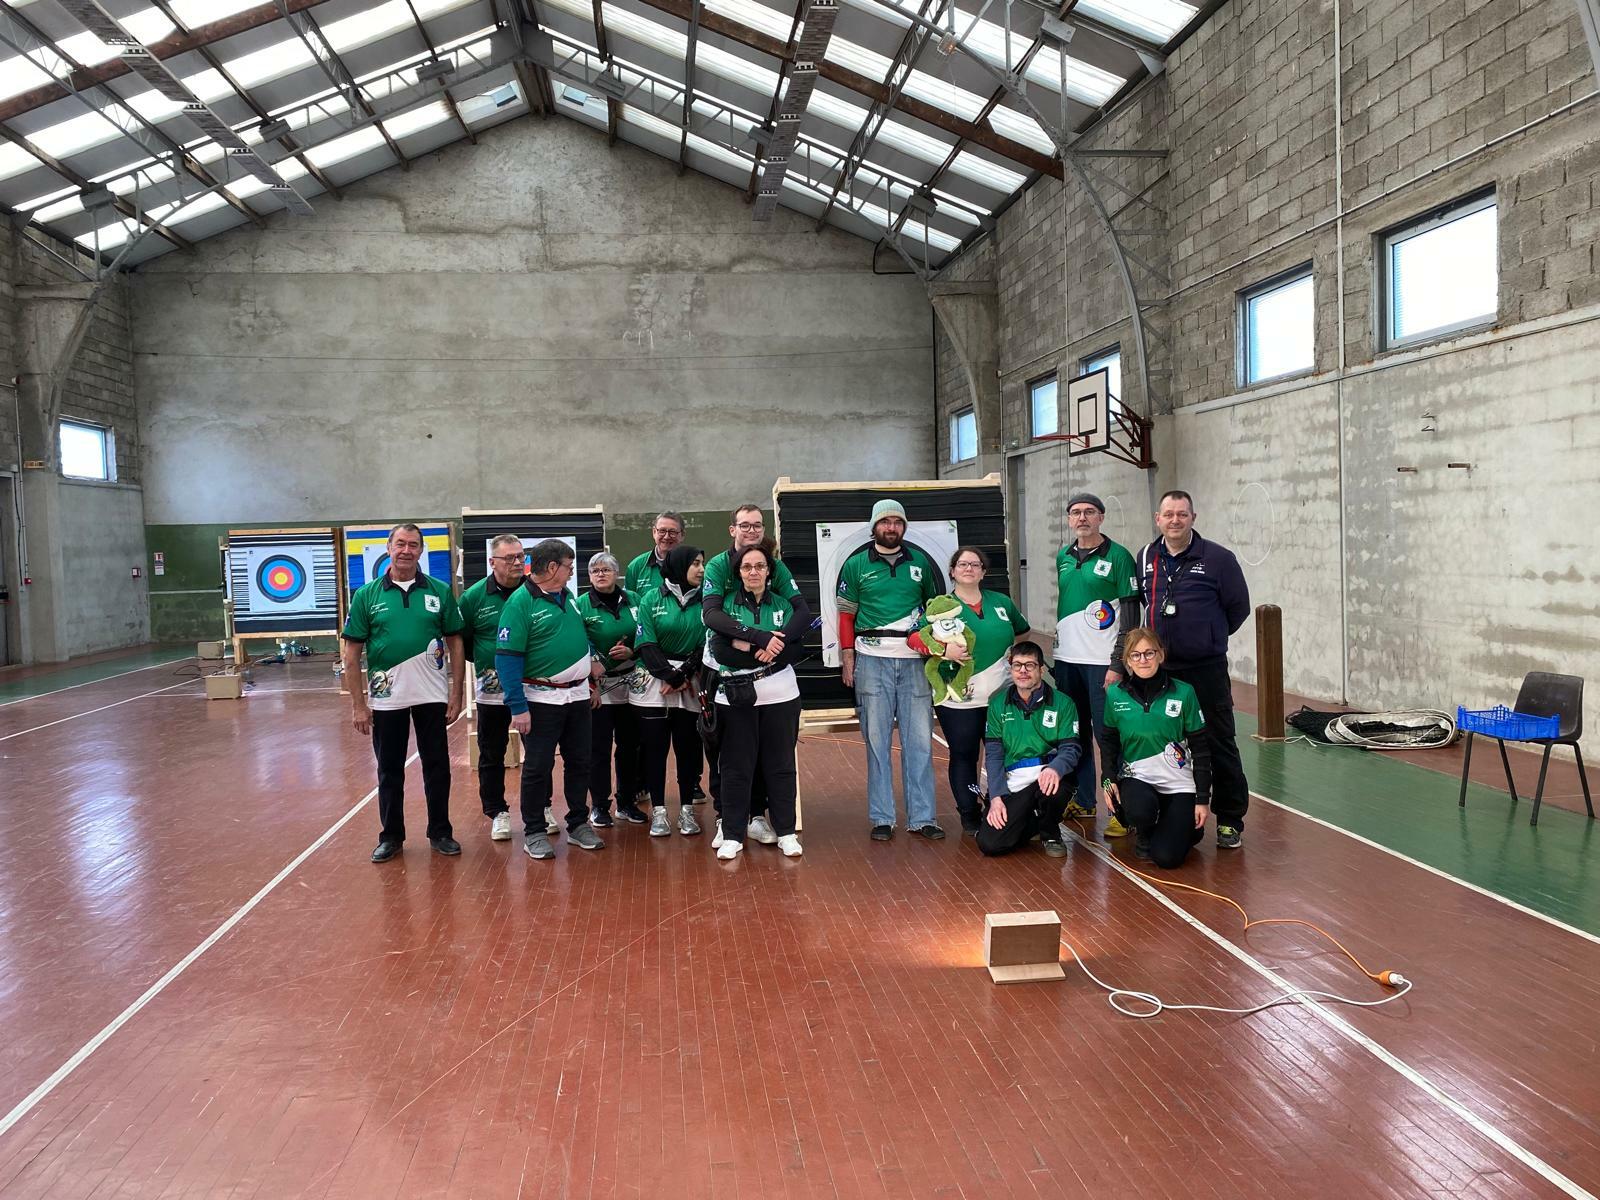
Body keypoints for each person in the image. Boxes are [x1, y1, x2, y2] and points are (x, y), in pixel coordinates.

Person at [1124, 490, 1250, 848]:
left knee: (1217, 740)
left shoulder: (1219, 559)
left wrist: (1207, 637)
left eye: (1182, 514)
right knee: (1162, 740)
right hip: (1160, 669)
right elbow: (1143, 604)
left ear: (1193, 517)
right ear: (1158, 519)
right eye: (1168, 514)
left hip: (1205, 670)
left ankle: (1229, 819)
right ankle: (1164, 813)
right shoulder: (1145, 557)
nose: (1175, 520)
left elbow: (1238, 608)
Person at [342, 523, 466, 863]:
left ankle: (440, 832)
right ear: (388, 547)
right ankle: (391, 836)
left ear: (421, 550)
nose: (406, 550)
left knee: (437, 767)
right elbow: (351, 654)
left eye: (413, 545)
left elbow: (456, 642)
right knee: (389, 770)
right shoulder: (366, 595)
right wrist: (358, 704)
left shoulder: (440, 591)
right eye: (400, 544)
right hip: (386, 698)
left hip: (432, 695)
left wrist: (457, 693)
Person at [837, 499, 946, 841]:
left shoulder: (920, 563)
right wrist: (848, 657)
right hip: (871, 661)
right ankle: (882, 817)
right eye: (885, 522)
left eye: (897, 522)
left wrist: (932, 648)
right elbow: (846, 616)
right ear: (874, 527)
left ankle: (923, 817)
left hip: (915, 664)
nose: (891, 527)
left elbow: (933, 611)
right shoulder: (855, 565)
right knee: (877, 742)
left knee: (919, 743)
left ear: (904, 527)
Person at [907, 546, 1030, 835]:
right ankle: (969, 813)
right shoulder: (941, 605)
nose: (969, 569)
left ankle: (1002, 805)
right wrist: (942, 650)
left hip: (1002, 695)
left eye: (975, 564)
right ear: (952, 571)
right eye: (962, 564)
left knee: (1006, 752)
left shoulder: (1001, 602)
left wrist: (1012, 656)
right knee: (964, 754)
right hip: (959, 696)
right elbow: (913, 638)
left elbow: (1022, 631)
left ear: (983, 572)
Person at [495, 538, 605, 860]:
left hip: (577, 696)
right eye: (569, 566)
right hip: (541, 700)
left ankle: (578, 824)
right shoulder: (520, 603)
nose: (572, 572)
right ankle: (534, 832)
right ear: (553, 567)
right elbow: (507, 658)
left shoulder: (567, 596)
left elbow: (578, 636)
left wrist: (590, 665)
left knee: (580, 762)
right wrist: (518, 707)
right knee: (538, 767)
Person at [706, 544, 812, 860]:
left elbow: (796, 649)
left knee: (780, 766)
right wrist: (761, 645)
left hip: (781, 695)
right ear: (738, 573)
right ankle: (733, 835)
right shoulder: (725, 606)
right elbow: (721, 651)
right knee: (735, 767)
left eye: (760, 566)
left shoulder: (784, 605)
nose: (753, 572)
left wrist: (747, 645)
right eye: (747, 567)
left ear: (769, 571)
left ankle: (786, 832)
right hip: (736, 698)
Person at [460, 533, 560, 843]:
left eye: (521, 556)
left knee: (539, 752)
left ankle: (542, 807)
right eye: (510, 558)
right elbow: (464, 642)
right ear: (492, 562)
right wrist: (493, 666)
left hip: (533, 690)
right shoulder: (473, 597)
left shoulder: (536, 590)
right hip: (492, 692)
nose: (517, 562)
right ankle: (497, 812)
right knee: (492, 752)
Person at [1052, 492, 1141, 837]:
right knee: (1075, 734)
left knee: (1109, 737)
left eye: (1089, 512)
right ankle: (1085, 800)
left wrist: (1118, 663)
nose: (1082, 517)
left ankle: (1122, 810)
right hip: (1067, 662)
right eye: (1076, 512)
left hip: (1103, 665)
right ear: (1069, 519)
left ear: (1101, 517)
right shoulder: (1063, 556)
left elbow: (1131, 616)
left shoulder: (1119, 557)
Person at [1099, 628, 1211, 868]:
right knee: (1139, 811)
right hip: (1138, 778)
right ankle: (1145, 831)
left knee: (1167, 858)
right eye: (1136, 655)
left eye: (1149, 653)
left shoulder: (1184, 692)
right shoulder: (1115, 695)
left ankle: (1185, 829)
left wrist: (1202, 799)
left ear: (1161, 655)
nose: (1143, 660)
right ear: (1127, 660)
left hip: (1178, 783)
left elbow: (1201, 749)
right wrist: (1108, 781)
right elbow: (1108, 742)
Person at [630, 544, 708, 837]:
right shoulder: (652, 598)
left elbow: (705, 644)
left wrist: (682, 675)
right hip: (655, 683)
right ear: (679, 566)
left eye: (702, 563)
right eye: (696, 563)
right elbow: (645, 643)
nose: (701, 569)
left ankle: (687, 810)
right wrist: (669, 676)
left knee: (688, 749)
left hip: (689, 682)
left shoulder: (706, 600)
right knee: (654, 750)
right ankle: (659, 812)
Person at [979, 641, 1080, 858]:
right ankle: (1032, 822)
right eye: (1017, 665)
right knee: (990, 843)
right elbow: (994, 755)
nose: (1023, 671)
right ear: (1011, 669)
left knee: (1056, 790)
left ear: (1041, 669)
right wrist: (996, 797)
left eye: (1030, 665)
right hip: (1014, 782)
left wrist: (1055, 769)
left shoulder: (1063, 703)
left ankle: (1050, 833)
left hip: (1047, 777)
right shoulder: (997, 704)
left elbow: (1071, 748)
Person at [576, 552, 643, 828]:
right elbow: (579, 640)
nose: (600, 574)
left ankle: (627, 802)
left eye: (606, 570)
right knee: (599, 749)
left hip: (632, 682)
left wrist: (632, 651)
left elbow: (646, 631)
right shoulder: (580, 604)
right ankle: (599, 806)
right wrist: (596, 664)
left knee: (630, 747)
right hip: (598, 687)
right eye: (595, 571)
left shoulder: (634, 599)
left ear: (617, 573)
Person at [625, 510, 685, 596]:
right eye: (662, 531)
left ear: (682, 535)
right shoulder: (636, 567)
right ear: (654, 532)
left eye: (672, 532)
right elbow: (629, 601)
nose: (666, 537)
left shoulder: (694, 566)